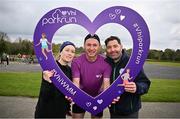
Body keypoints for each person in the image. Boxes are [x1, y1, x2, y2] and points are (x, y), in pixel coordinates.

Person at [104, 36, 151, 118]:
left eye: (115, 46)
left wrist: (137, 87)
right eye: (109, 47)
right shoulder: (105, 63)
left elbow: (145, 83)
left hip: (130, 112)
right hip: (113, 111)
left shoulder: (132, 62)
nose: (112, 50)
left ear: (121, 46)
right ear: (106, 49)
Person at [71, 34, 112, 119]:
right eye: (88, 45)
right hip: (80, 97)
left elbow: (106, 85)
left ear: (99, 47)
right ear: (84, 46)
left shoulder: (106, 63)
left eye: (95, 45)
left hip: (98, 98)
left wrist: (104, 99)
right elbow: (76, 83)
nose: (91, 48)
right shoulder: (76, 62)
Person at [34, 41, 76, 118]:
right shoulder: (51, 67)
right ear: (60, 52)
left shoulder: (70, 70)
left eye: (72, 52)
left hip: (60, 113)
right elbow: (45, 95)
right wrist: (46, 81)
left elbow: (66, 92)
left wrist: (68, 103)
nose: (70, 53)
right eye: (67, 50)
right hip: (45, 112)